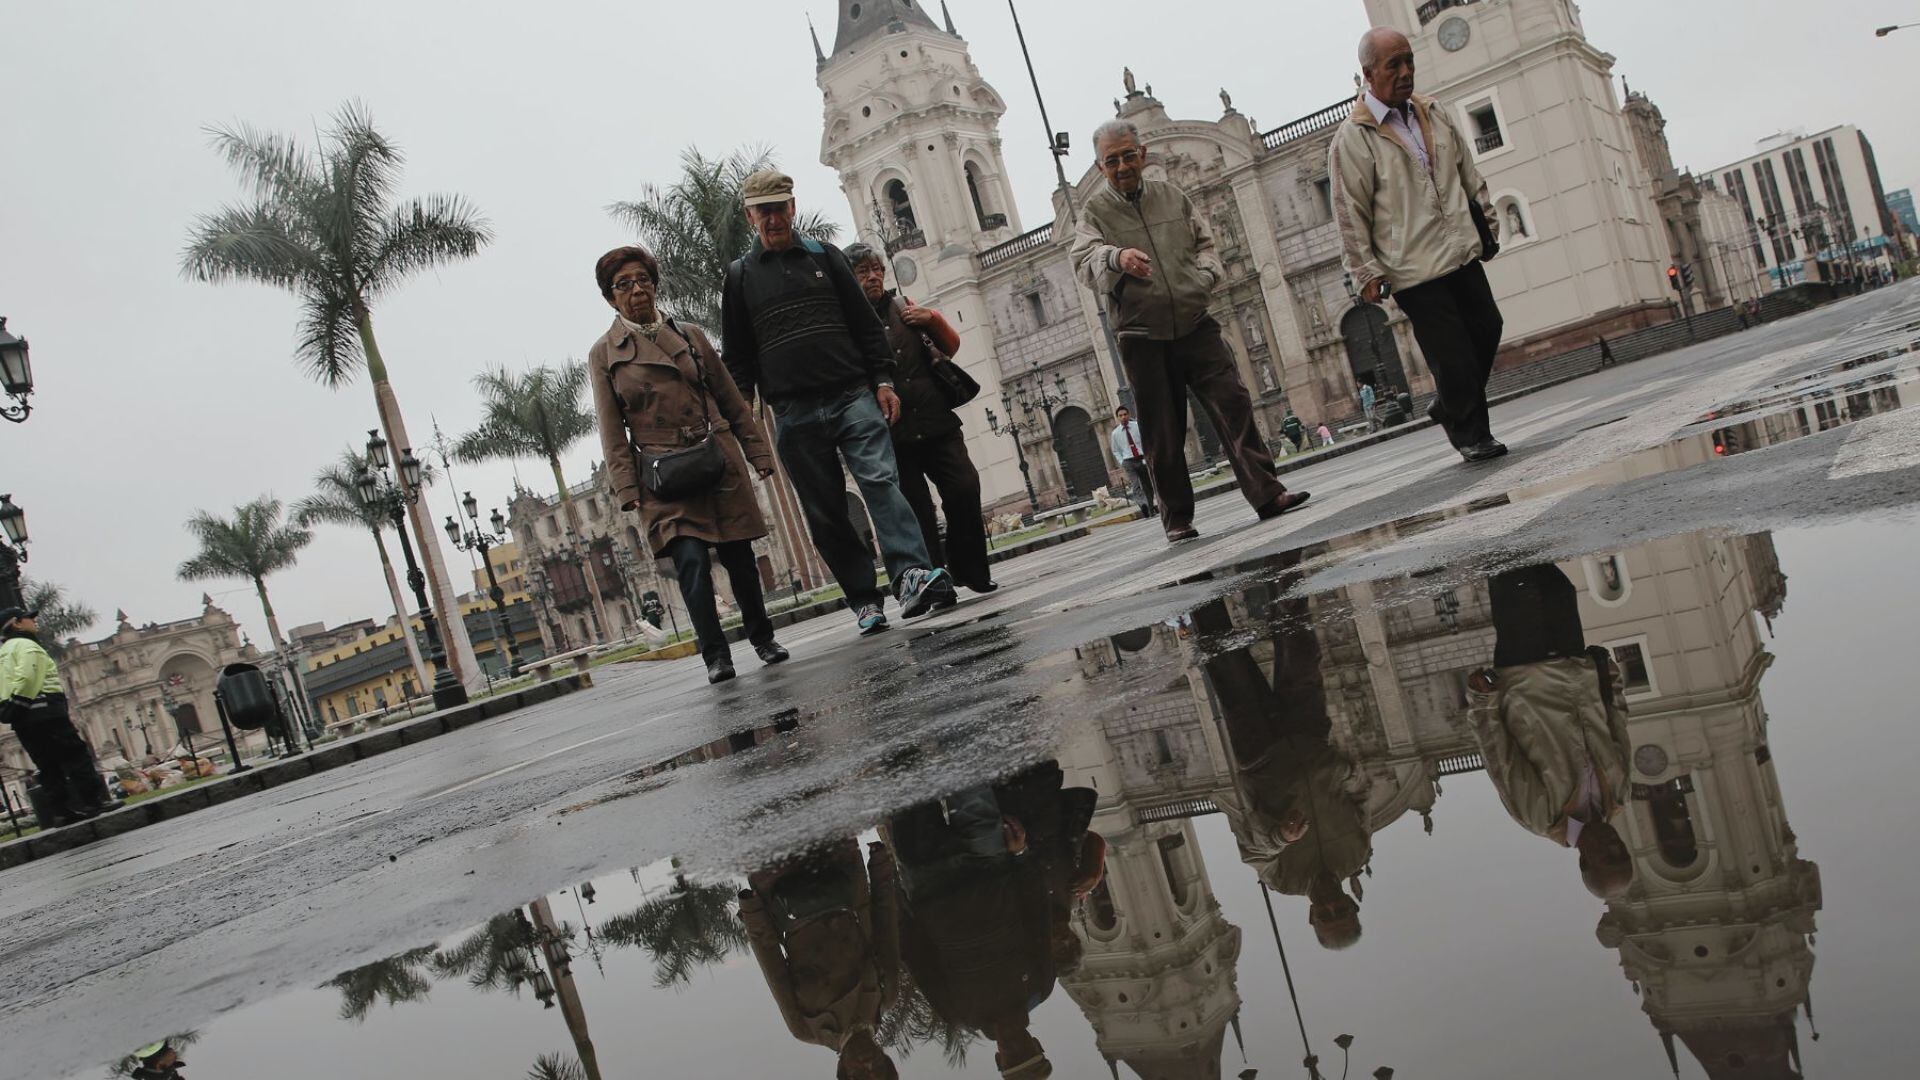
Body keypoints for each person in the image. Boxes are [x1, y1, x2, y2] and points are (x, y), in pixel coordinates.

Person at [721, 170, 955, 634]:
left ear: (792, 207)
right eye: (762, 210)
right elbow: (738, 356)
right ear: (750, 216)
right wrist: (744, 416)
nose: (772, 218)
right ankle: (864, 599)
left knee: (880, 480)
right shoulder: (740, 277)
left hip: (852, 396)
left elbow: (866, 326)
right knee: (824, 508)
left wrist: (883, 380)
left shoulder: (826, 258)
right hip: (792, 411)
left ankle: (909, 575)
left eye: (779, 207)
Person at [1071, 120, 1309, 545]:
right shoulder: (1094, 214)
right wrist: (1116, 257)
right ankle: (1177, 518)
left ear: (1142, 154)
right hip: (1142, 335)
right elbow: (1083, 261)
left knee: (1234, 404)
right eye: (1112, 161)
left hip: (1195, 322)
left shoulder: (1172, 196)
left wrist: (1205, 277)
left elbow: (1206, 244)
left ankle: (1268, 495)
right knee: (1163, 431)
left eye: (1128, 155)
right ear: (1100, 167)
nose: (1122, 166)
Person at [590, 245, 789, 685]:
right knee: (692, 563)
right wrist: (628, 491)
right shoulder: (604, 354)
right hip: (664, 473)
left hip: (716, 456)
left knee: (740, 557)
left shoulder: (692, 336)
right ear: (610, 298)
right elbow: (611, 429)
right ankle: (715, 655)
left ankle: (763, 638)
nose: (636, 290)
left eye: (643, 280)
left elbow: (731, 400)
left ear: (655, 286)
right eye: (624, 285)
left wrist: (757, 453)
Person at [1331, 27, 1509, 463]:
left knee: (1488, 327)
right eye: (1395, 64)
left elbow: (1468, 172)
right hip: (1413, 266)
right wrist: (1365, 271)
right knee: (1452, 353)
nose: (1407, 71)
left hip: (1461, 249)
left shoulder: (1433, 111)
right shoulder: (1353, 139)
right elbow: (1349, 212)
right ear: (1369, 73)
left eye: (1409, 60)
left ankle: (1449, 404)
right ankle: (1471, 434)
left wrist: (1487, 225)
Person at [1467, 563, 1635, 899]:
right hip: (1576, 669)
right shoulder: (1618, 796)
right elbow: (1617, 725)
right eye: (1623, 854)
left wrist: (1483, 703)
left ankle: (1484, 516)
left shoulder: (1541, 817)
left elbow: (1501, 759)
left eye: (1608, 859)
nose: (1615, 847)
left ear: (1584, 862)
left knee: (1514, 580)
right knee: (1557, 587)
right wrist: (1608, 678)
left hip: (1526, 674)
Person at [845, 242, 996, 597]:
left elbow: (950, 347)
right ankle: (935, 580)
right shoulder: (849, 326)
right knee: (916, 511)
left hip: (936, 421)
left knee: (964, 486)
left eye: (877, 269)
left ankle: (969, 568)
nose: (873, 277)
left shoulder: (904, 308)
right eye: (864, 271)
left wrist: (933, 319)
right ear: (850, 279)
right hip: (892, 435)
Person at [739, 839, 901, 1079]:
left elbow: (775, 969)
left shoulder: (806, 1029)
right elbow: (885, 924)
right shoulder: (887, 995)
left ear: (843, 1071)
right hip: (841, 869)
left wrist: (753, 913)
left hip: (780, 888)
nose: (867, 1064)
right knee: (820, 804)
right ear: (886, 1060)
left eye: (859, 1076)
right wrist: (880, 866)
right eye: (878, 1070)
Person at [1, 605, 110, 827]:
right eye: (28, 618)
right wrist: (21, 702)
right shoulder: (28, 646)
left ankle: (62, 811)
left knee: (47, 763)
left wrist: (10, 710)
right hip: (46, 710)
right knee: (75, 754)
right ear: (16, 623)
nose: (34, 621)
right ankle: (94, 801)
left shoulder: (4, 652)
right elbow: (29, 676)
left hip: (22, 719)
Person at [1106, 405, 1157, 516]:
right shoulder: (1115, 433)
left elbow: (1146, 440)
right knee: (1135, 485)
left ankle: (1150, 508)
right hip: (1128, 461)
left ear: (1128, 415)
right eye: (1120, 415)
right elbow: (1115, 450)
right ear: (1117, 418)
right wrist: (1122, 461)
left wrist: (1147, 455)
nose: (1123, 417)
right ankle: (1144, 505)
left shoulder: (1137, 426)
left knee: (1147, 484)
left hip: (1142, 459)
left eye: (1125, 414)